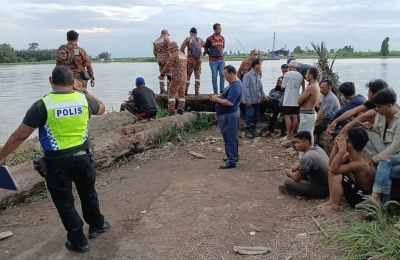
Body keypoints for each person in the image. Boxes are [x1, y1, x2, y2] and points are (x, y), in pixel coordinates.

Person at [0, 66, 109, 253]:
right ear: (73, 81)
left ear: (51, 80)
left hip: (57, 162)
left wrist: (1, 157)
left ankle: (78, 240)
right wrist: (83, 90)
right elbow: (102, 109)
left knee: (64, 201)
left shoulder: (42, 105)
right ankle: (97, 225)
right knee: (88, 192)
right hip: (84, 157)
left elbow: (19, 137)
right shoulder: (82, 99)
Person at [320, 128, 375, 213]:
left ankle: (335, 207)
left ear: (349, 145)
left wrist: (341, 151)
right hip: (357, 190)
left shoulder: (361, 164)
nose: (342, 140)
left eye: (345, 139)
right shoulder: (350, 155)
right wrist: (335, 147)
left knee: (338, 176)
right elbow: (331, 164)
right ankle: (332, 200)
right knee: (332, 172)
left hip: (362, 198)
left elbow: (333, 168)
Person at [278, 131, 329, 199]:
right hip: (328, 185)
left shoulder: (307, 156)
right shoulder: (317, 148)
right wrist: (298, 166)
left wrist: (288, 172)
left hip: (322, 190)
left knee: (287, 182)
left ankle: (301, 193)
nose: (295, 145)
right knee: (300, 172)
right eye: (295, 143)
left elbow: (296, 178)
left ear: (306, 143)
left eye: (298, 142)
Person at [210, 65, 242, 169]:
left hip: (229, 115)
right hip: (229, 114)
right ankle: (233, 156)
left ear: (232, 74)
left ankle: (231, 160)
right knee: (231, 137)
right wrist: (218, 97)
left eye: (226, 75)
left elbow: (229, 102)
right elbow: (227, 96)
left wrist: (217, 100)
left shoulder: (235, 86)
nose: (225, 77)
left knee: (230, 137)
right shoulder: (232, 84)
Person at [361, 89, 400, 164]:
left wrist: (375, 159)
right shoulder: (381, 114)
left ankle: (376, 161)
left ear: (389, 106)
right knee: (363, 133)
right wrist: (371, 127)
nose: (376, 109)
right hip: (384, 146)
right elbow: (379, 129)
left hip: (397, 153)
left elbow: (395, 147)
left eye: (379, 107)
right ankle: (376, 160)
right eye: (376, 106)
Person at [160, 41, 187, 116]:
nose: (169, 51)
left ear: (174, 48)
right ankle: (180, 110)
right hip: (184, 78)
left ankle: (171, 111)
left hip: (177, 78)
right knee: (182, 95)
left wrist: (162, 73)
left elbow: (168, 65)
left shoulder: (174, 55)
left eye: (170, 49)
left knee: (171, 94)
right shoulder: (183, 55)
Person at [242, 58, 265, 139]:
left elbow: (260, 86)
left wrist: (263, 95)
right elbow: (246, 88)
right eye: (260, 65)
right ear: (255, 65)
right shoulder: (247, 75)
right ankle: (247, 130)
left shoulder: (258, 75)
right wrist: (249, 99)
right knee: (250, 114)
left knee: (256, 114)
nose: (260, 67)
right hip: (249, 99)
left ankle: (253, 129)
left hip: (256, 99)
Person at [297, 67, 320, 146]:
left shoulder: (311, 87)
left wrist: (303, 99)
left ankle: (303, 154)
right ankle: (309, 152)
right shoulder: (316, 85)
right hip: (310, 113)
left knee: (302, 135)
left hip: (307, 114)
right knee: (309, 134)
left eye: (307, 73)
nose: (305, 75)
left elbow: (299, 100)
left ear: (311, 75)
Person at [281, 60, 303, 140]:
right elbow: (300, 86)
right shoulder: (300, 76)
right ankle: (293, 133)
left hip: (288, 99)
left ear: (290, 67)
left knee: (286, 116)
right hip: (296, 98)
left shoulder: (287, 74)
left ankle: (288, 133)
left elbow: (283, 86)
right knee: (294, 116)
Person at [180, 27, 205, 96]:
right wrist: (203, 55)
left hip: (190, 61)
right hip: (199, 61)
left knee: (187, 76)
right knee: (197, 76)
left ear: (190, 33)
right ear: (196, 33)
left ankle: (185, 91)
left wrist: (184, 57)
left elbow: (182, 48)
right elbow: (206, 47)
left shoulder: (188, 39)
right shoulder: (200, 40)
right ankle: (197, 91)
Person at [204, 23, 225, 94]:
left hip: (221, 60)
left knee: (222, 74)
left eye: (220, 29)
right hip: (213, 61)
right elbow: (206, 48)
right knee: (214, 75)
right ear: (215, 30)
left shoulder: (222, 38)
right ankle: (215, 91)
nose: (220, 30)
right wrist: (210, 54)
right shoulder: (209, 39)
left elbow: (223, 47)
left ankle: (222, 90)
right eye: (218, 29)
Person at [153, 29, 171, 94]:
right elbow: (170, 48)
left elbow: (154, 52)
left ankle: (162, 89)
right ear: (166, 34)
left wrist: (157, 58)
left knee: (162, 74)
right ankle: (169, 89)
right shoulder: (166, 39)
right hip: (167, 60)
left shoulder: (156, 41)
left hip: (159, 60)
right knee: (169, 73)